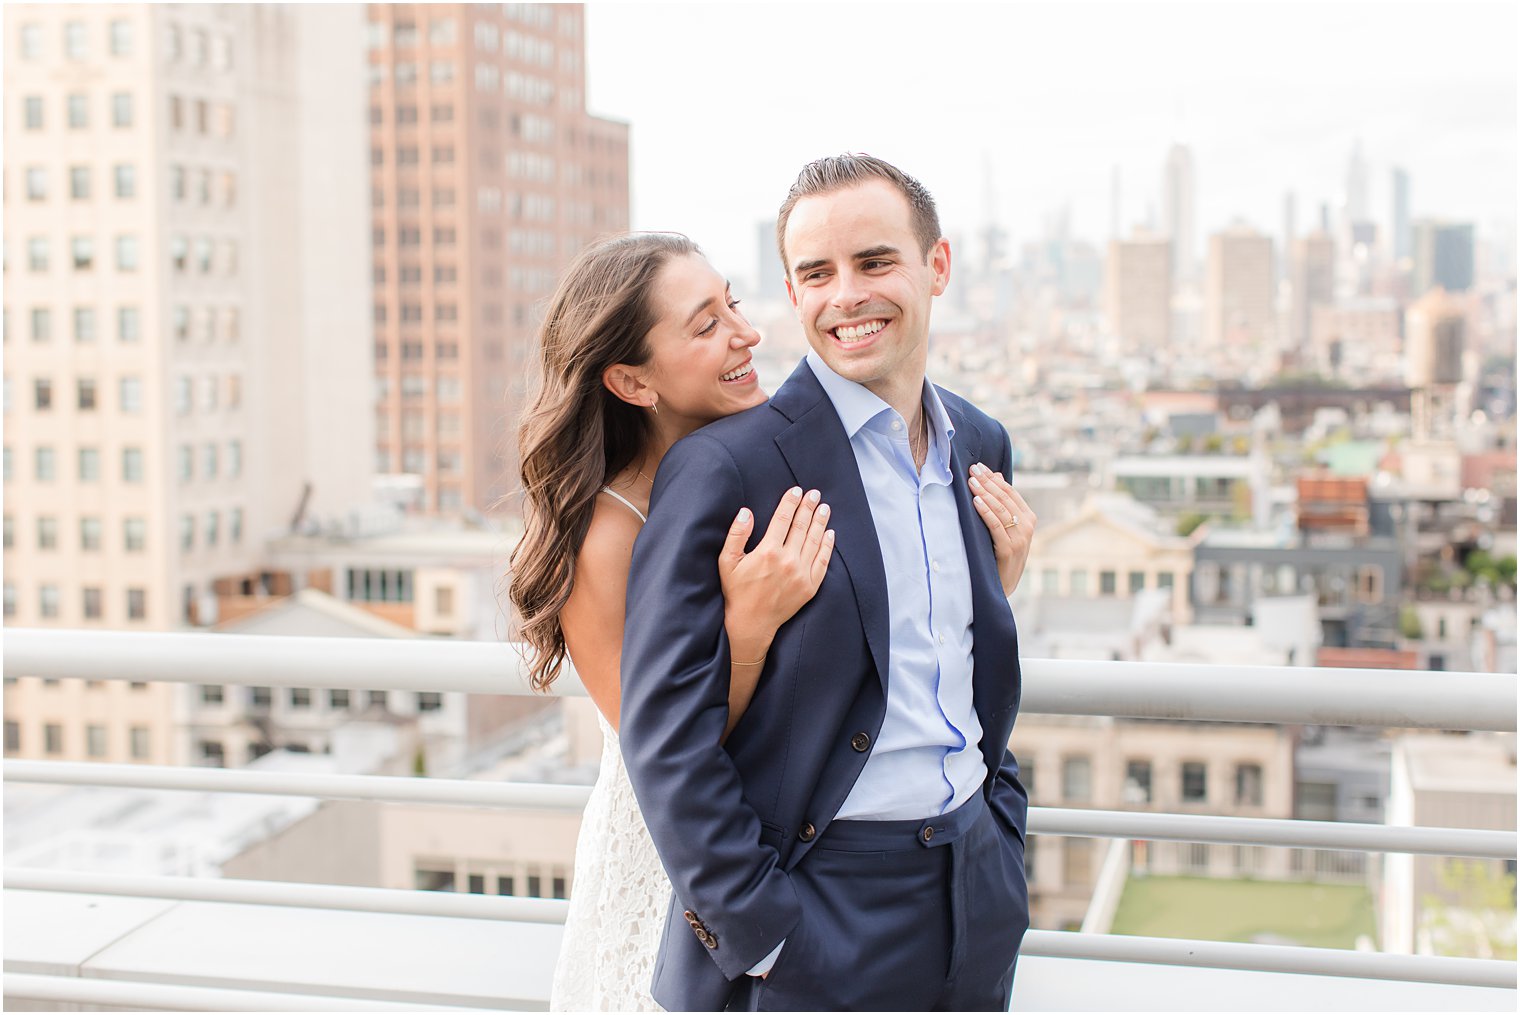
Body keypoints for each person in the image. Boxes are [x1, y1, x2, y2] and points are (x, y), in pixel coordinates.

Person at [619, 154, 1037, 1012]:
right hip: (821, 908)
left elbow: (961, 658)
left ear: (939, 266)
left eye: (875, 262)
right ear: (792, 291)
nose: (846, 295)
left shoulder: (982, 444)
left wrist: (1002, 835)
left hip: (975, 891)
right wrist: (765, 932)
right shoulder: (726, 468)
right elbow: (665, 738)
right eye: (817, 273)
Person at [511, 232, 838, 1011]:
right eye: (705, 324)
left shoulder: (753, 472)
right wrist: (749, 628)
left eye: (732, 302)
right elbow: (667, 743)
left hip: (777, 845)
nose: (746, 331)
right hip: (675, 859)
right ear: (631, 378)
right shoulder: (607, 536)